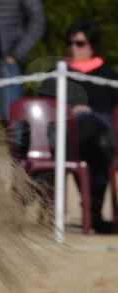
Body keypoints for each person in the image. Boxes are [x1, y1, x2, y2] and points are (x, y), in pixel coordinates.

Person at [18, 22, 118, 234]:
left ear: (93, 45)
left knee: (92, 129)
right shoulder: (57, 73)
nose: (74, 48)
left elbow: (111, 114)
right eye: (70, 43)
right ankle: (33, 196)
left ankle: (93, 215)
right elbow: (43, 107)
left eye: (80, 43)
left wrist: (85, 112)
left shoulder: (108, 75)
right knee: (40, 133)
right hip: (61, 133)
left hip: (96, 138)